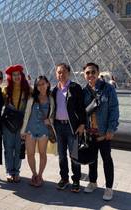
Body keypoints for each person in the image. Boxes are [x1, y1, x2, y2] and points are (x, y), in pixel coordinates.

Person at [82, 63, 119, 201]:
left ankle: (109, 188)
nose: (90, 75)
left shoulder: (108, 89)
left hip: (104, 132)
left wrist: (111, 129)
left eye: (93, 72)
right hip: (90, 132)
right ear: (84, 75)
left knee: (107, 160)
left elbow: (114, 110)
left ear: (98, 73)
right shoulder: (84, 91)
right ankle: (93, 182)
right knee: (92, 159)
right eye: (87, 73)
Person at [51, 63, 86, 192]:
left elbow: (82, 108)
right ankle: (64, 178)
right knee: (61, 155)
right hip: (59, 127)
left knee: (74, 155)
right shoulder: (55, 90)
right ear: (56, 74)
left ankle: (76, 180)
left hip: (72, 127)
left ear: (69, 73)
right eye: (59, 72)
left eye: (63, 72)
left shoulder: (75, 88)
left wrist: (82, 124)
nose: (61, 74)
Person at [20, 76, 55, 187]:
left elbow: (54, 113)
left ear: (48, 84)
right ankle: (34, 174)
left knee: (42, 154)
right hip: (30, 129)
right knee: (30, 154)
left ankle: (40, 175)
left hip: (44, 130)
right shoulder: (32, 98)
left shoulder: (51, 99)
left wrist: (50, 120)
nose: (41, 86)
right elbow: (26, 115)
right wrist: (23, 130)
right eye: (38, 84)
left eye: (43, 83)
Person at [2, 64, 31, 183]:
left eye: (18, 74)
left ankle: (17, 172)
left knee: (19, 148)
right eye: (14, 75)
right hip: (8, 124)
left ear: (22, 75)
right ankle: (9, 171)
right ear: (10, 77)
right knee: (8, 148)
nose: (17, 77)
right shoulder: (5, 90)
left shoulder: (27, 89)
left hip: (21, 124)